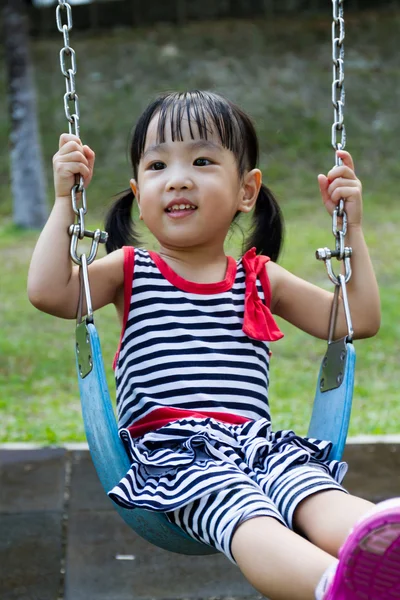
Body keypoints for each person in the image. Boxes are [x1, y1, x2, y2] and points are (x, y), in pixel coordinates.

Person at [28, 90, 400, 600]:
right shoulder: (132, 269)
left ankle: (383, 544)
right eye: (158, 165)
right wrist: (63, 202)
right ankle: (335, 587)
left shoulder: (258, 276)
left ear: (247, 191)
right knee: (247, 514)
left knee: (314, 492)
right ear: (139, 192)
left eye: (202, 160)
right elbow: (50, 292)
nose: (178, 177)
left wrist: (351, 228)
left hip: (258, 445)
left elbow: (357, 320)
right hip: (174, 455)